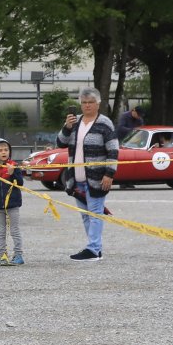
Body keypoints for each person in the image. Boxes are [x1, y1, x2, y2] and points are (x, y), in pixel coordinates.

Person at [58, 86, 117, 261]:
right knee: (85, 214)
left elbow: (113, 150)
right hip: (76, 178)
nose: (87, 105)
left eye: (91, 102)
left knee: (95, 213)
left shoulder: (104, 123)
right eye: (84, 102)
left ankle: (93, 249)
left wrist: (109, 173)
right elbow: (60, 143)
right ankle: (95, 248)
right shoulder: (75, 122)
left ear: (98, 103)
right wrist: (67, 127)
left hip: (97, 178)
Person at [0, 138, 26, 265]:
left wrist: (12, 173)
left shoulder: (14, 166)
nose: (3, 152)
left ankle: (18, 255)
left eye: (6, 150)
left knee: (14, 230)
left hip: (13, 205)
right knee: (0, 232)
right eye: (0, 150)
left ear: (10, 152)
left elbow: (20, 183)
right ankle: (3, 255)